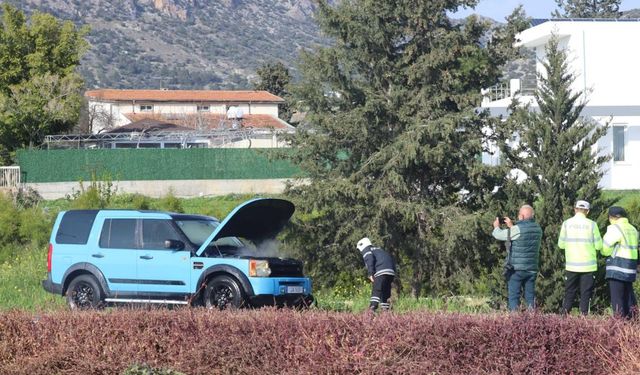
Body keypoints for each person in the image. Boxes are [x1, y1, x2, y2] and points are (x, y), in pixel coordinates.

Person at [492, 205, 542, 311]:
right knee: (530, 297)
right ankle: (533, 320)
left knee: (514, 297)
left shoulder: (517, 229)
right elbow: (523, 235)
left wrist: (496, 226)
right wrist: (512, 226)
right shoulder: (538, 228)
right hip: (532, 268)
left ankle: (514, 321)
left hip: (517, 269)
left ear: (522, 216)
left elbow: (499, 235)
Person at [557, 200, 603, 315]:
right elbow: (598, 246)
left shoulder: (566, 223)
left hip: (572, 266)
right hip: (588, 267)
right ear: (587, 211)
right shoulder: (592, 225)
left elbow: (560, 245)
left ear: (575, 209)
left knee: (569, 293)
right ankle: (583, 320)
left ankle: (564, 318)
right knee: (585, 294)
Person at [601, 206, 639, 319]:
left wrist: (607, 251)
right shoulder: (633, 229)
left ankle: (619, 326)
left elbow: (605, 249)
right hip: (630, 268)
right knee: (629, 298)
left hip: (617, 267)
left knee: (617, 300)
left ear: (611, 217)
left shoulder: (614, 228)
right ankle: (633, 323)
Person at [357, 237, 396, 312]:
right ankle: (385, 309)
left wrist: (370, 273)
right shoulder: (380, 250)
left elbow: (370, 260)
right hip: (390, 272)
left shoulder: (367, 250)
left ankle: (372, 308)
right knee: (385, 290)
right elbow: (390, 259)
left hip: (381, 271)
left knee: (377, 289)